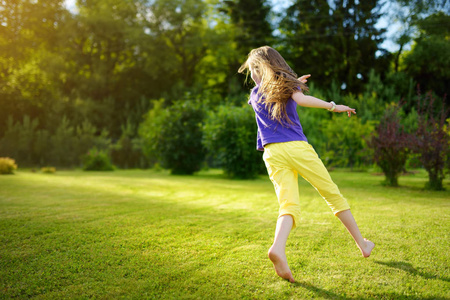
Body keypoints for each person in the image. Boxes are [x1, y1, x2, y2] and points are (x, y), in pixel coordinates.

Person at [238, 46, 375, 283]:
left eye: (253, 70)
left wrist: (293, 83)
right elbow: (301, 100)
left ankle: (278, 248)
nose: (253, 75)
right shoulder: (286, 86)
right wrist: (333, 105)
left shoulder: (254, 95)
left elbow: (273, 92)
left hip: (271, 153)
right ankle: (362, 244)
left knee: (288, 205)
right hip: (296, 147)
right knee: (332, 195)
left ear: (261, 70)